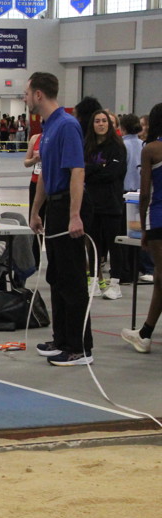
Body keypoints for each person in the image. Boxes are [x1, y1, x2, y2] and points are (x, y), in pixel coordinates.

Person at [26, 71, 94, 366]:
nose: (25, 98)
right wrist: (35, 211)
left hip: (69, 205)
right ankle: (62, 339)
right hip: (53, 206)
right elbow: (44, 172)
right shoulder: (48, 127)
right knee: (56, 276)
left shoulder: (67, 125)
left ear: (38, 94)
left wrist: (74, 215)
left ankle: (80, 349)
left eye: (26, 93)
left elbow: (77, 171)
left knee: (72, 278)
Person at [121, 103, 162, 354]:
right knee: (159, 279)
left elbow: (144, 192)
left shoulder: (151, 149)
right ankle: (145, 333)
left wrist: (144, 227)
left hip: (158, 220)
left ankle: (145, 334)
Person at [83, 109, 128, 298]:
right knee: (93, 244)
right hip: (92, 204)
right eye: (97, 121)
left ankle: (115, 284)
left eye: (104, 121)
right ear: (92, 125)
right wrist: (97, 167)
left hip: (112, 203)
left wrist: (92, 171)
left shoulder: (117, 147)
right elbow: (81, 170)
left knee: (114, 244)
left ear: (109, 125)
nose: (101, 124)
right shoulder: (87, 146)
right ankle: (94, 281)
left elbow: (112, 173)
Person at [24, 128, 44, 268]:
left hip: (51, 183)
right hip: (35, 183)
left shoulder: (58, 137)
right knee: (35, 219)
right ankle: (34, 260)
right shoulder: (35, 138)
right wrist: (34, 159)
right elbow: (26, 162)